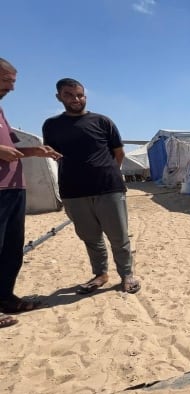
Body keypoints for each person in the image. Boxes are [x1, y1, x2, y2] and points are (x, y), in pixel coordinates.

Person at [42, 78, 141, 295]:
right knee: (90, 237)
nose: (76, 99)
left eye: (80, 95)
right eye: (69, 95)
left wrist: (108, 173)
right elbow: (52, 153)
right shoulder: (51, 125)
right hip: (73, 191)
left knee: (119, 236)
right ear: (59, 97)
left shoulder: (102, 121)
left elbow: (119, 152)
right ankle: (100, 274)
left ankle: (126, 275)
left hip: (108, 188)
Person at [0, 58, 62, 319]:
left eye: (13, 83)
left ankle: (6, 298)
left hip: (14, 188)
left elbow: (11, 150)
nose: (11, 88)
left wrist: (34, 151)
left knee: (11, 249)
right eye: (6, 81)